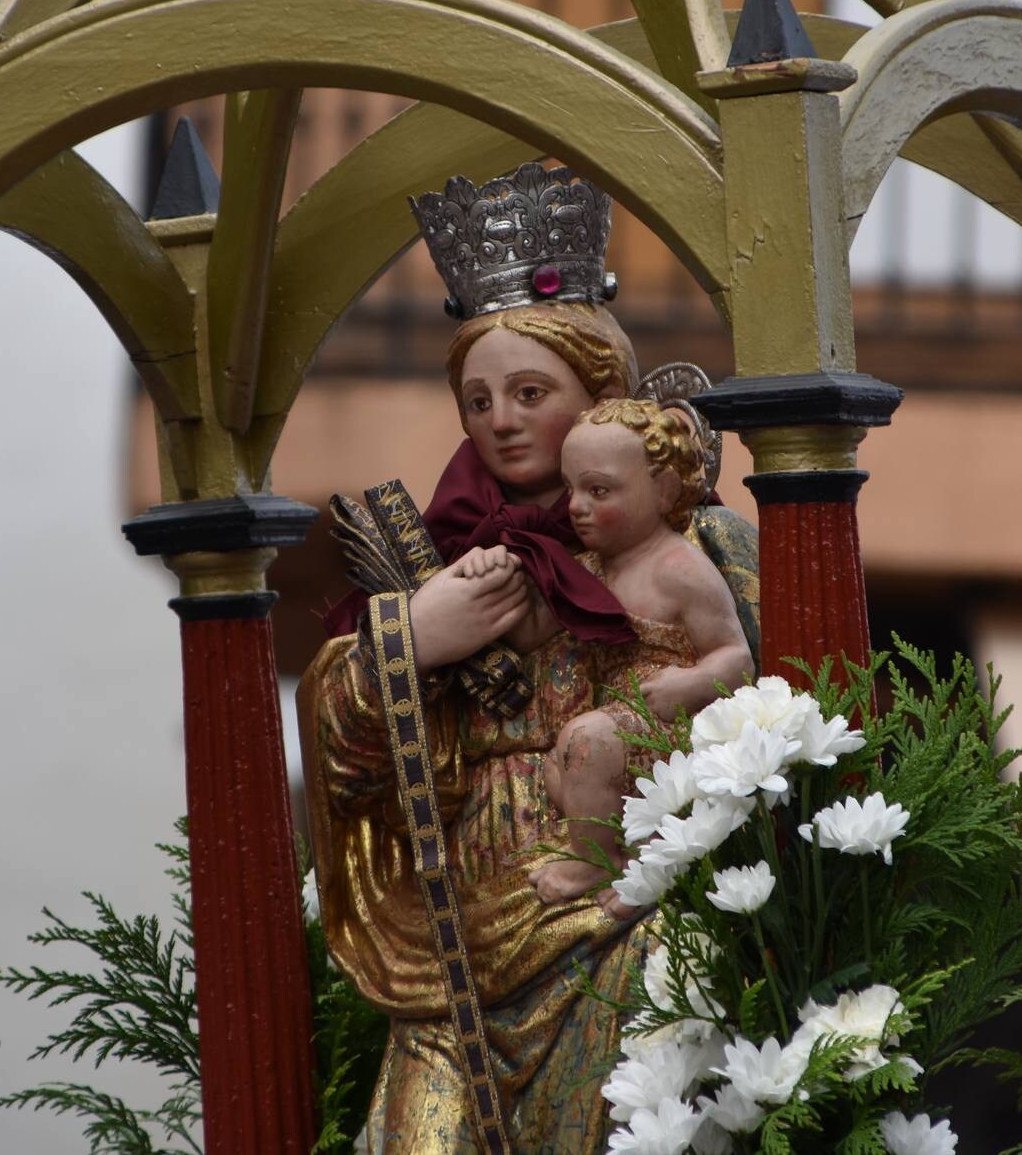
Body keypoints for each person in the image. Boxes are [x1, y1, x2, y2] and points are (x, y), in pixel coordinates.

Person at [297, 163, 759, 1154]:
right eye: (478, 398)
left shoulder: (693, 545)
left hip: (623, 902)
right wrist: (410, 642)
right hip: (456, 920)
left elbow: (770, 702)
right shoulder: (430, 557)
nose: (501, 419)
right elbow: (340, 748)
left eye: (530, 392)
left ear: (600, 394)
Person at [515, 397, 750, 909]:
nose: (576, 505)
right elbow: (538, 631)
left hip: (675, 725)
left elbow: (736, 658)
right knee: (555, 770)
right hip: (616, 721)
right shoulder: (590, 566)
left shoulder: (679, 569)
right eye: (571, 488)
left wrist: (687, 684)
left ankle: (592, 865)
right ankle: (631, 864)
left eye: (598, 490)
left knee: (583, 741)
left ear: (662, 489)